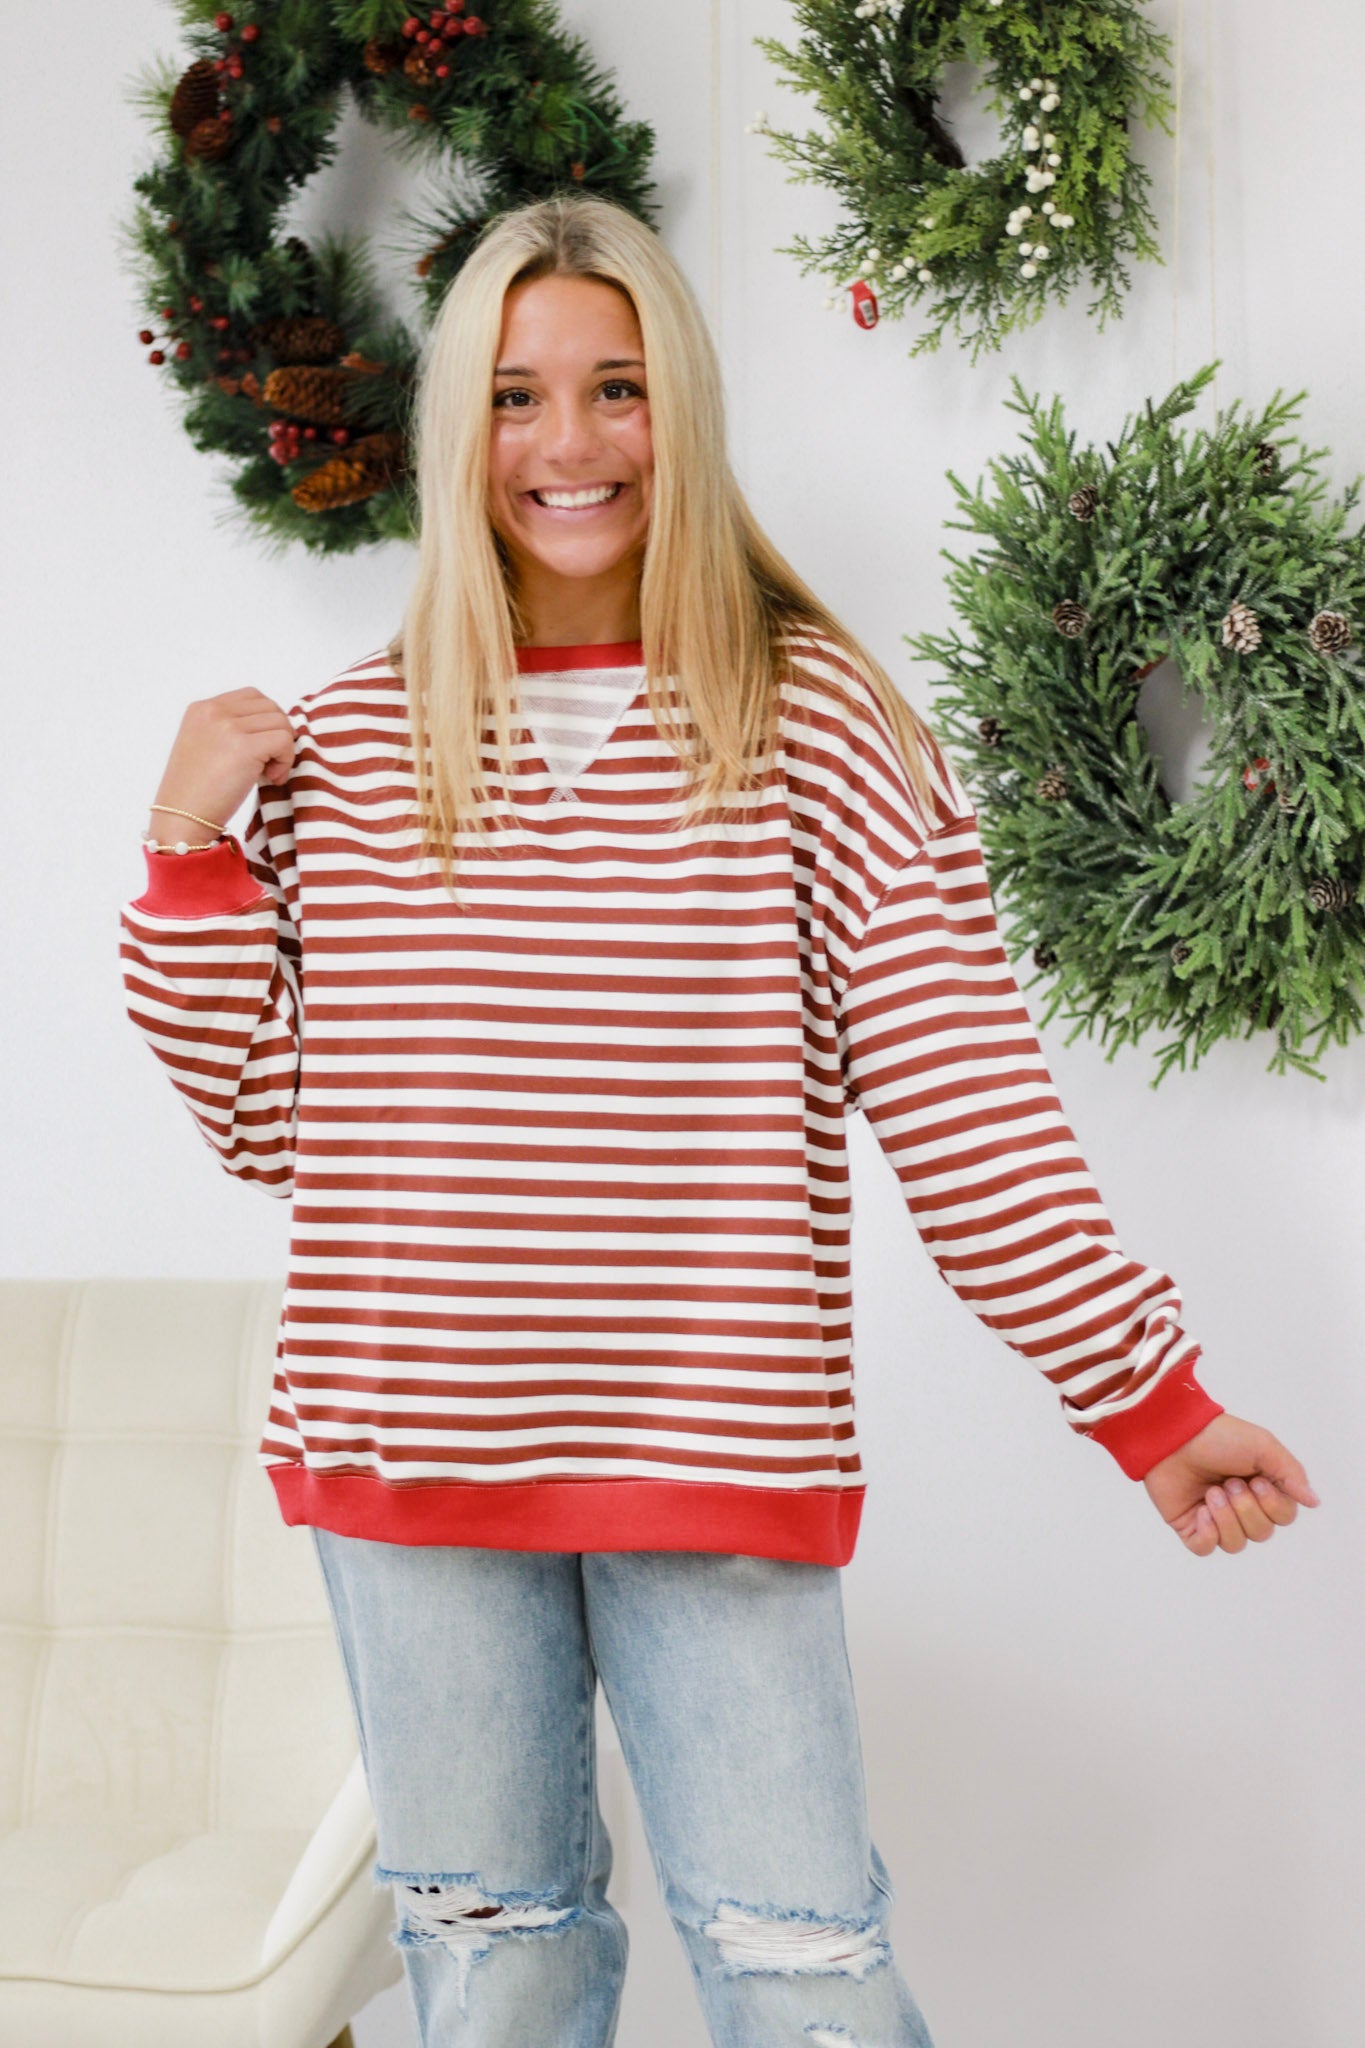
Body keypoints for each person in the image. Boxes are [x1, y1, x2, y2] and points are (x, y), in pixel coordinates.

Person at [120, 193, 1319, 2048]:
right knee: (494, 1962)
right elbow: (285, 1132)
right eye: (515, 396)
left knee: (800, 1968)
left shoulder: (819, 726)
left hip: (712, 1445)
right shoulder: (349, 747)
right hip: (406, 1450)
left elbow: (967, 1111)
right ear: (457, 430)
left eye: (618, 387)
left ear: (681, 405)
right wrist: (189, 854)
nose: (571, 443)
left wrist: (1144, 1404)